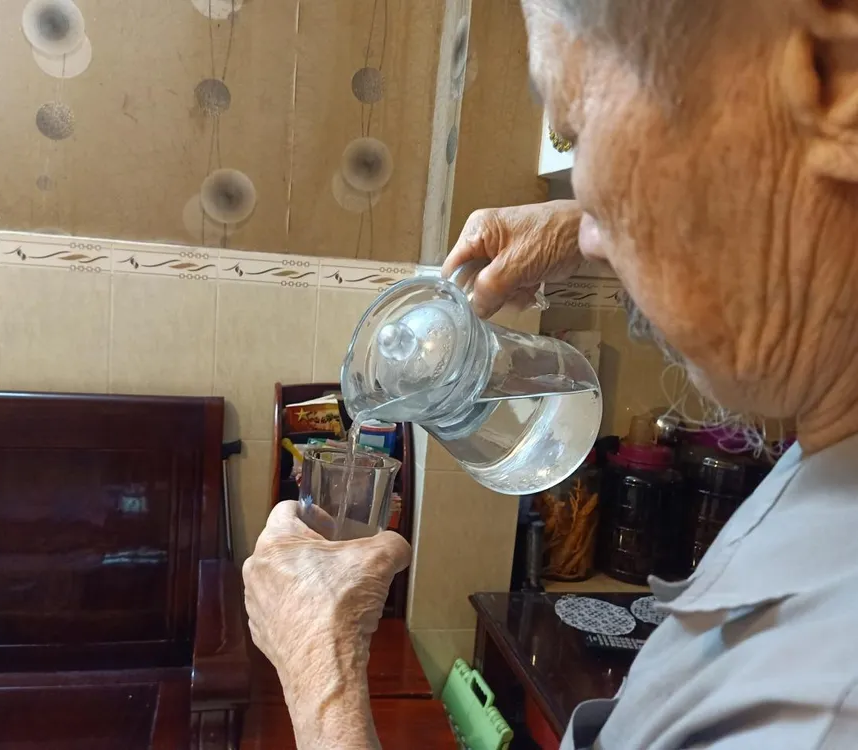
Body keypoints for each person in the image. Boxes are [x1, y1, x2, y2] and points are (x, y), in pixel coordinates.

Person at [244, 0, 858, 747]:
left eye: (579, 129)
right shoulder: (833, 442)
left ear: (834, 75)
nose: (590, 231)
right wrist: (593, 227)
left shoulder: (824, 710)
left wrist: (322, 673)